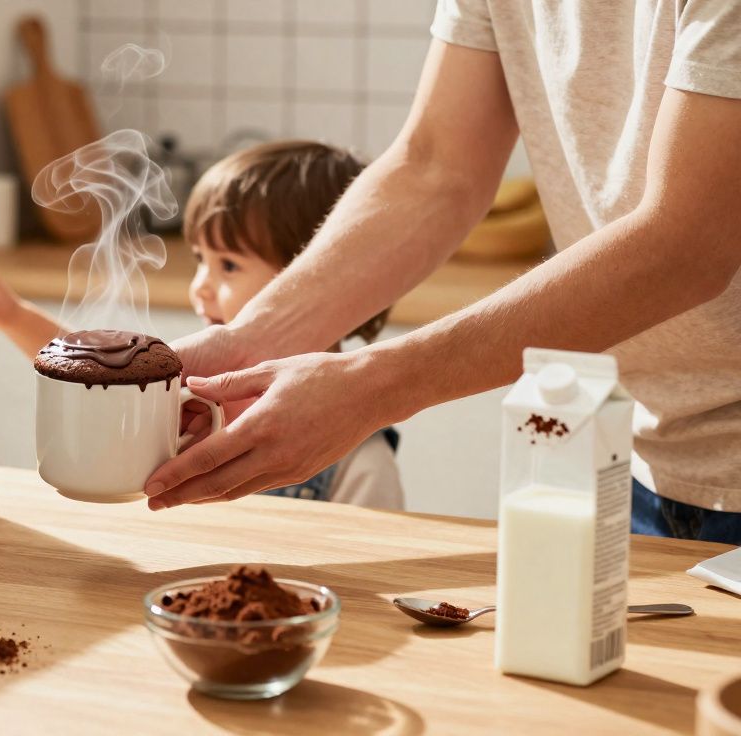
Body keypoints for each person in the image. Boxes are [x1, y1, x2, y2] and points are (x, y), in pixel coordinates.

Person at [141, 2, 741, 543]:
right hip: (641, 453)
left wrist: (371, 388)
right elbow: (436, 167)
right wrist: (251, 341)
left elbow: (686, 242)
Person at [0, 141, 404, 510]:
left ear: (318, 278)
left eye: (228, 265)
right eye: (200, 260)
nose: (201, 286)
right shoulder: (193, 388)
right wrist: (13, 315)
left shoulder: (359, 455)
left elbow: (376, 555)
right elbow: (92, 378)